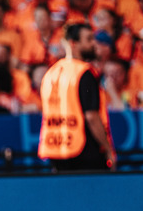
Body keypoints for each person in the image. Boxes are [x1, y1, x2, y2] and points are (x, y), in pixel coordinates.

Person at [38, 22, 118, 171]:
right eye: (88, 39)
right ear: (73, 43)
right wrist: (108, 149)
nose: (94, 43)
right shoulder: (84, 73)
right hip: (83, 151)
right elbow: (91, 117)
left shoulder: (51, 73)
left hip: (56, 149)